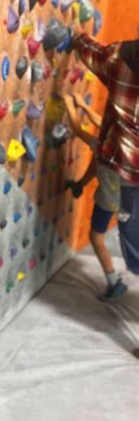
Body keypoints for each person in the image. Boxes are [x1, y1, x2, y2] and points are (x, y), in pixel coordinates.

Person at [71, 29, 139, 280]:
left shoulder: (119, 58)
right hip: (122, 165)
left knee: (113, 230)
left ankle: (118, 276)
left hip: (117, 160)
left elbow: (93, 53)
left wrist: (76, 37)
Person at [64, 93, 126, 300]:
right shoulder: (124, 150)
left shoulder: (102, 148)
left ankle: (113, 281)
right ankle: (79, 184)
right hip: (124, 196)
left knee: (95, 237)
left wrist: (68, 103)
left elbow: (77, 128)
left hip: (110, 201)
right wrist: (82, 104)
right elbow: (100, 123)